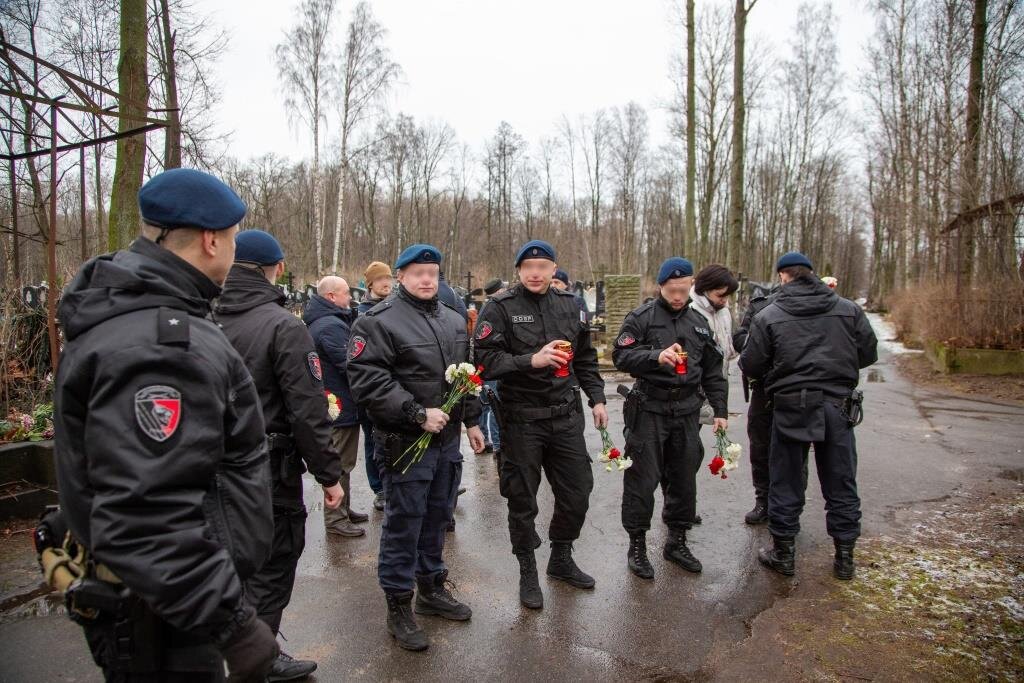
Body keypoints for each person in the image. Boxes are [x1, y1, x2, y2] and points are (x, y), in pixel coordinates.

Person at [52, 168, 279, 682]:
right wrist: (233, 623)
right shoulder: (161, 344)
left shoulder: (137, 313)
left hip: (166, 596)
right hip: (170, 612)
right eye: (233, 237)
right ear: (210, 239)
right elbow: (145, 511)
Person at [216, 230, 344, 682]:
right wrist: (330, 475)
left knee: (225, 565)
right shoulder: (282, 325)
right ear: (276, 268)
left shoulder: (202, 316)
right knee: (271, 566)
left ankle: (237, 654)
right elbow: (307, 411)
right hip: (268, 472)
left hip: (210, 472)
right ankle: (258, 662)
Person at [347, 244, 485, 651]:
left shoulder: (454, 320)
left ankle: (430, 589)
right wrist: (415, 413)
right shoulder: (378, 321)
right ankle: (398, 604)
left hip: (447, 442)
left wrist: (474, 420)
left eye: (434, 272)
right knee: (404, 521)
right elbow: (367, 381)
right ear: (402, 276)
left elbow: (466, 377)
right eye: (418, 272)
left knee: (438, 516)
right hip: (404, 442)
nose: (427, 279)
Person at [474, 239, 608, 610]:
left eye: (543, 266)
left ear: (553, 270)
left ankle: (561, 558)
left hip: (565, 418)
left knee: (577, 492)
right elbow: (483, 363)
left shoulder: (572, 306)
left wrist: (597, 397)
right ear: (518, 271)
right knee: (522, 499)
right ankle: (528, 569)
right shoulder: (499, 308)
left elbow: (585, 359)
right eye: (528, 266)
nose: (535, 272)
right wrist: (530, 361)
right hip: (521, 420)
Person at [739, 252, 878, 580]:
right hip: (838, 405)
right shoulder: (848, 309)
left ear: (783, 277)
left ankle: (784, 553)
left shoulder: (770, 314)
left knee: (785, 479)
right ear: (813, 275)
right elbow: (868, 352)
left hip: (790, 405)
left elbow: (751, 363)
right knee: (841, 479)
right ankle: (845, 557)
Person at [611, 257, 728, 579]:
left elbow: (713, 371)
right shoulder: (642, 318)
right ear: (660, 286)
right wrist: (654, 356)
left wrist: (720, 410)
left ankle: (677, 541)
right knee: (642, 480)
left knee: (683, 479)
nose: (678, 296)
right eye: (672, 290)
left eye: (683, 289)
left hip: (687, 411)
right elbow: (620, 355)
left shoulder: (699, 323)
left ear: (691, 286)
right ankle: (637, 545)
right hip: (650, 409)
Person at [304, 276, 370, 538]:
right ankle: (336, 518)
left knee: (346, 461)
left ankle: (344, 508)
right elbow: (348, 364)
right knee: (340, 462)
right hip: (339, 403)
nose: (349, 299)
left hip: (341, 401)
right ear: (331, 296)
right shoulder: (331, 326)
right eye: (345, 294)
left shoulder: (328, 321)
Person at [732, 282, 780, 525]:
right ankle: (763, 499)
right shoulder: (761, 307)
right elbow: (739, 338)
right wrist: (758, 341)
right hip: (763, 387)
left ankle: (786, 504)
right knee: (760, 446)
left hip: (791, 389)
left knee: (791, 451)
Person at [358, 261, 393, 512]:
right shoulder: (362, 313)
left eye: (389, 278)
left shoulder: (395, 307)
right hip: (372, 389)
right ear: (370, 284)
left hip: (396, 387)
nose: (386, 283)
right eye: (381, 279)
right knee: (373, 439)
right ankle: (379, 488)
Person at [689, 264, 740, 373]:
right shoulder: (690, 312)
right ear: (705, 289)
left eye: (727, 295)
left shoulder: (724, 312)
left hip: (722, 376)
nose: (724, 300)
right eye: (720, 295)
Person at [476, 278, 506, 457]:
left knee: (485, 404)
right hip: (492, 364)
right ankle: (497, 444)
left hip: (485, 364)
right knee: (495, 405)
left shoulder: (489, 307)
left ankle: (485, 439)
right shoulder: (493, 309)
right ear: (498, 291)